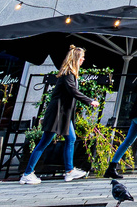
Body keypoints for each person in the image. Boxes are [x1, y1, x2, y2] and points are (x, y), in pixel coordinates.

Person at [20, 46, 94, 184]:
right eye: (82, 57)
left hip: (64, 114)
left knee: (71, 138)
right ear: (76, 59)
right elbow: (73, 91)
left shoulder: (70, 74)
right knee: (44, 142)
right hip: (57, 114)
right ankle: (27, 173)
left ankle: (69, 171)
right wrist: (90, 101)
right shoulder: (68, 74)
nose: (83, 60)